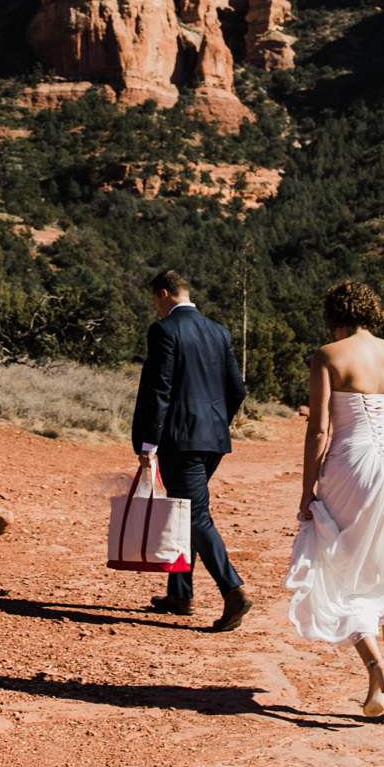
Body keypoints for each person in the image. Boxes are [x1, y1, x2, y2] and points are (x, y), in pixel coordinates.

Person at [285, 281, 384, 724]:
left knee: (341, 570)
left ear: (333, 316)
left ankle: (376, 668)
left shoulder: (328, 356)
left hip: (352, 465)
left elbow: (318, 430)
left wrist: (307, 489)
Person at [131, 269, 253, 631]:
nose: (155, 306)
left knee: (194, 515)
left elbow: (160, 389)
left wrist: (148, 444)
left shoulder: (164, 330)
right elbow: (237, 390)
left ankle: (233, 591)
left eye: (155, 299)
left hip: (178, 440)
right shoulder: (219, 332)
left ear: (164, 293)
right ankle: (180, 594)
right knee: (185, 511)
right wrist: (216, 422)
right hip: (212, 439)